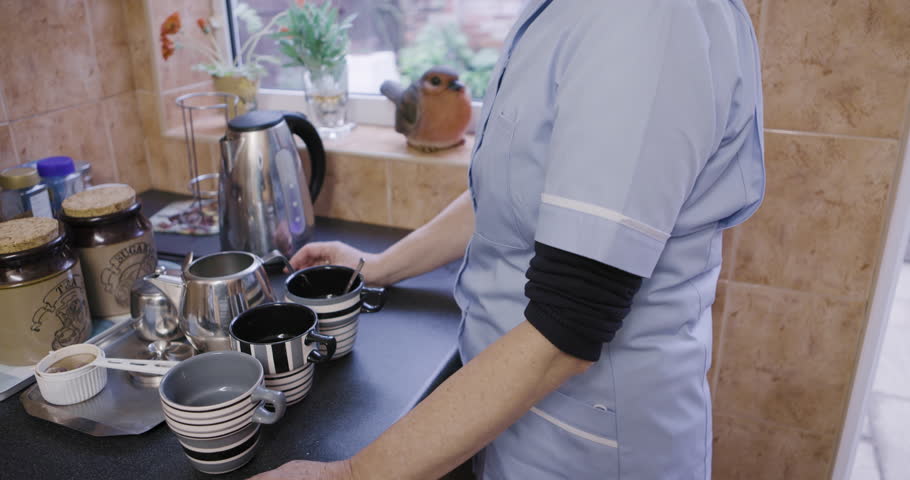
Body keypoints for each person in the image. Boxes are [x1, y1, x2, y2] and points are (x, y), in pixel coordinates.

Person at [251, 0, 764, 478]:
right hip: (521, 414)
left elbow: (570, 321)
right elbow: (522, 191)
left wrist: (352, 475)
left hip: (589, 444)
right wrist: (379, 266)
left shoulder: (643, 18)